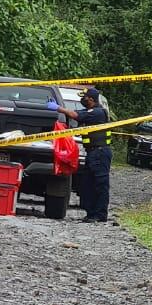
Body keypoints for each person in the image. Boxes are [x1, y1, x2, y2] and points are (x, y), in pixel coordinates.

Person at [49, 88, 111, 222]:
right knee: (87, 184)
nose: (83, 100)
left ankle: (100, 215)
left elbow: (76, 115)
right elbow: (77, 114)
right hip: (92, 153)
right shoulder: (90, 112)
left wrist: (58, 108)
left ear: (91, 99)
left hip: (100, 152)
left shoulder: (98, 113)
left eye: (85, 98)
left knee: (100, 184)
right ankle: (91, 213)